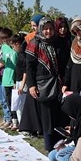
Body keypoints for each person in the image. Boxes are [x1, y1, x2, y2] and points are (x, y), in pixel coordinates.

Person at [25, 17, 69, 151]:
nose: (48, 31)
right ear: (40, 29)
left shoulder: (60, 43)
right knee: (47, 116)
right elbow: (30, 66)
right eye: (45, 29)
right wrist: (31, 85)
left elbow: (66, 64)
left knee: (59, 113)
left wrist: (66, 82)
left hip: (59, 83)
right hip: (43, 84)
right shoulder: (34, 43)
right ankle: (49, 145)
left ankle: (60, 144)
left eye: (50, 29)